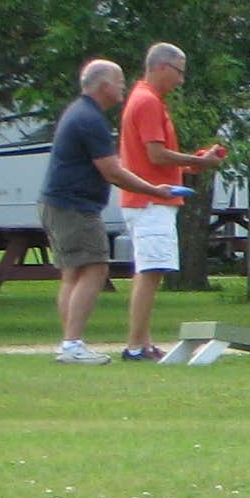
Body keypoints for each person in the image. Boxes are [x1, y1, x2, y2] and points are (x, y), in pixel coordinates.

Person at [38, 59, 185, 366]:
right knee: (94, 269)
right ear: (104, 85)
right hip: (74, 205)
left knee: (73, 273)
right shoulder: (90, 120)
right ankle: (72, 344)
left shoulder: (80, 112)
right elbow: (113, 171)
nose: (122, 87)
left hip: (58, 202)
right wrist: (155, 190)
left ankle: (69, 343)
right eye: (118, 82)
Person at [117, 42, 228, 361]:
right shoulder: (148, 101)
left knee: (150, 270)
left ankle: (143, 342)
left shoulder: (145, 98)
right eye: (179, 72)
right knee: (150, 271)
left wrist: (190, 163)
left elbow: (155, 158)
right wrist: (203, 164)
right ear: (162, 67)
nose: (181, 80)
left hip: (146, 197)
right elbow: (155, 154)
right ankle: (136, 347)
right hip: (150, 199)